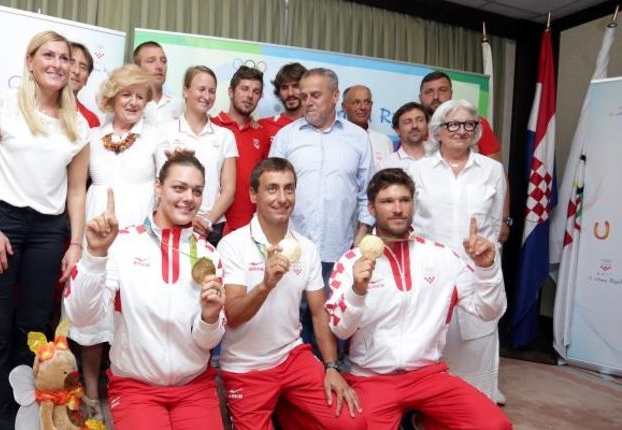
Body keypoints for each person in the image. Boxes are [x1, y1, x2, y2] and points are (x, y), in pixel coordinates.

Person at [0, 30, 89, 430]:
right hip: (1, 222)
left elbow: (76, 192)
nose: (57, 63)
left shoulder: (77, 123)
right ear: (30, 61)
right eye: (48, 55)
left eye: (64, 58)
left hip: (49, 232)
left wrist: (76, 243)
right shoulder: (1, 105)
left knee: (34, 329)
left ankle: (25, 416)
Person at [326, 168, 511, 430]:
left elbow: (489, 310)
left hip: (428, 376)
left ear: (413, 203)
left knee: (495, 425)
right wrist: (357, 290)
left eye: (404, 200)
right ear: (371, 207)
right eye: (387, 201)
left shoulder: (442, 257)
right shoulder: (351, 262)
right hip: (372, 378)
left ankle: (420, 420)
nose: (398, 208)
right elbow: (341, 330)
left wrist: (487, 268)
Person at [64, 152, 226, 430]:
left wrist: (209, 319)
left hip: (194, 387)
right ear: (158, 187)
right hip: (136, 389)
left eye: (197, 191)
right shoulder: (122, 244)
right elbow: (81, 318)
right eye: (179, 187)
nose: (189, 197)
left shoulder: (209, 255)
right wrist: (95, 255)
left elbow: (207, 342)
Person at [218, 158, 366, 430]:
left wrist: (332, 367)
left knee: (352, 424)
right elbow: (233, 316)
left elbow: (319, 312)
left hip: (292, 358)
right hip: (246, 368)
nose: (282, 198)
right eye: (272, 189)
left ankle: (289, 409)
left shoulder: (306, 248)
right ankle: (286, 409)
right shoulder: (232, 246)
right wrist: (265, 285)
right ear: (253, 194)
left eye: (289, 189)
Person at [70, 63, 161, 421]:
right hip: (96, 239)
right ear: (112, 97)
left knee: (134, 315)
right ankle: (91, 390)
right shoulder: (91, 136)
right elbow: (77, 191)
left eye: (141, 96)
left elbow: (166, 189)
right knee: (92, 314)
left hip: (140, 241)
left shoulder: (156, 138)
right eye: (127, 94)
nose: (134, 102)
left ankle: (129, 388)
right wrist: (76, 242)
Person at [408, 99, 507, 404]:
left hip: (477, 272)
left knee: (477, 344)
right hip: (431, 274)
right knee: (431, 346)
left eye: (469, 124)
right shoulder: (418, 170)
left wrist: (487, 260)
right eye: (452, 124)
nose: (461, 131)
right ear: (437, 131)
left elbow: (493, 224)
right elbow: (410, 223)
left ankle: (478, 402)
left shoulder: (492, 170)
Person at [268, 67, 375, 348]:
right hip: (293, 247)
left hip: (338, 248)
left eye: (315, 95)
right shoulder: (286, 137)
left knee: (332, 316)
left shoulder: (358, 138)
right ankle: (295, 375)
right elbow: (270, 188)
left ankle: (329, 374)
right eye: (304, 96)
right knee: (291, 319)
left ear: (335, 96)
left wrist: (362, 234)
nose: (307, 101)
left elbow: (367, 193)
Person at [419, 71, 512, 244]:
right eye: (429, 92)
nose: (436, 97)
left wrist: (504, 219)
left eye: (442, 90)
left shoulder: (478, 125)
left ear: (451, 93)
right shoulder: (415, 126)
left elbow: (498, 176)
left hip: (475, 226)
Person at [158, 65, 237, 246]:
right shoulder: (165, 131)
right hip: (174, 220)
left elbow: (229, 190)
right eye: (201, 89)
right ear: (186, 91)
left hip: (212, 227)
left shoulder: (225, 136)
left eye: (212, 91)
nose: (207, 96)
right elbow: (161, 182)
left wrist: (207, 220)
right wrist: (188, 220)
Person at [211, 66, 270, 235]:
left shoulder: (261, 133)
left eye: (256, 91)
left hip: (247, 229)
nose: (249, 96)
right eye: (244, 89)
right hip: (212, 225)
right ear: (230, 92)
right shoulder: (212, 125)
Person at [133, 40, 183, 125]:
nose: (160, 66)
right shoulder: (129, 106)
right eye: (151, 61)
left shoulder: (180, 105)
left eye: (163, 61)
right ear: (137, 68)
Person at [341, 85, 393, 167]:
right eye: (356, 102)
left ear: (371, 105)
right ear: (344, 107)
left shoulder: (384, 141)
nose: (363, 107)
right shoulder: (336, 139)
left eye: (367, 102)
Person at [258, 62, 306, 141]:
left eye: (296, 86)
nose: (290, 93)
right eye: (284, 87)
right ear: (278, 92)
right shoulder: (263, 125)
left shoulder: (316, 125)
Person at [379, 102, 429, 170]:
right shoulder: (386, 166)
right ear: (397, 130)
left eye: (420, 120)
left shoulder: (439, 159)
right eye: (407, 122)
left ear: (427, 125)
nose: (415, 126)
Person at [70, 41, 100, 128]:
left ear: (87, 79)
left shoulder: (91, 120)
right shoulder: (34, 107)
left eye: (83, 67)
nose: (76, 71)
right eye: (71, 63)